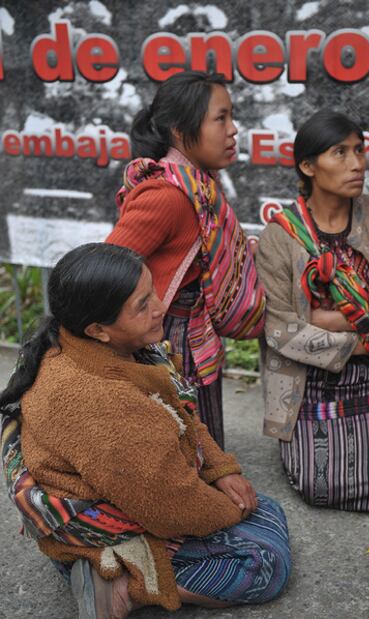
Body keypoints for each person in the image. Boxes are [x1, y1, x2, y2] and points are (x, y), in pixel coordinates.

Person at [0, 243, 290, 618]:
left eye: (152, 290)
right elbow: (171, 506)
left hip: (125, 491)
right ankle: (129, 585)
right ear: (98, 330)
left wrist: (221, 468)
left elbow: (179, 412)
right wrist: (233, 509)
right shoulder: (103, 404)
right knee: (267, 561)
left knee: (264, 511)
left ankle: (105, 566)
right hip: (102, 523)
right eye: (142, 305)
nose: (160, 306)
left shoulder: (98, 345)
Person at [256, 110, 369, 513]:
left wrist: (326, 316)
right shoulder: (279, 237)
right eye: (339, 152)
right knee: (317, 484)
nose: (357, 163)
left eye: (359, 150)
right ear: (308, 166)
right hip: (307, 383)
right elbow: (279, 328)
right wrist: (367, 330)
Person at [106, 70, 265, 449]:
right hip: (168, 343)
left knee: (198, 445)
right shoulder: (168, 195)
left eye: (231, 117)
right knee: (179, 449)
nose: (233, 130)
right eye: (220, 118)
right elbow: (105, 268)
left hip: (189, 336)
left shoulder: (198, 187)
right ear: (180, 130)